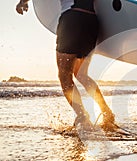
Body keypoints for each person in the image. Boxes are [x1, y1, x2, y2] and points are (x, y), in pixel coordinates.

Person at [16, 0, 115, 131]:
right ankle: (107, 112)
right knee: (82, 74)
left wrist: (23, 2)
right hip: (91, 22)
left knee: (64, 75)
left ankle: (82, 117)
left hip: (72, 20)